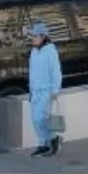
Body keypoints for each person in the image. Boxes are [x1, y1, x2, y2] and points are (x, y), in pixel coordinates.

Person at [26, 22, 63, 158]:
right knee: (35, 120)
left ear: (42, 37)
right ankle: (43, 144)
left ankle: (53, 140)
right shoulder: (34, 52)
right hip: (36, 90)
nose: (32, 38)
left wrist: (55, 90)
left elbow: (56, 72)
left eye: (35, 36)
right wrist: (31, 89)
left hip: (46, 91)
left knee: (41, 118)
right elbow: (32, 72)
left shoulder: (50, 52)